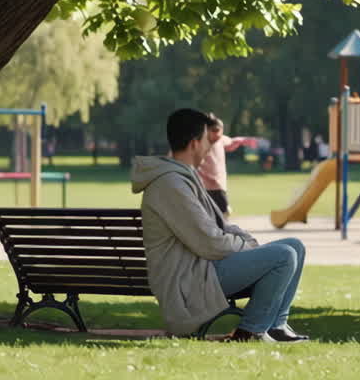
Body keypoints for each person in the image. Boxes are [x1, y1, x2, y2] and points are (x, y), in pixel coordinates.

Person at [131, 108, 308, 342]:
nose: (210, 146)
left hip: (203, 268)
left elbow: (220, 226)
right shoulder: (170, 184)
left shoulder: (183, 177)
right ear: (194, 143)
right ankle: (250, 332)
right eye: (207, 140)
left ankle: (276, 326)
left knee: (295, 246)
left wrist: (246, 241)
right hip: (189, 280)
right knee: (283, 256)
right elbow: (210, 243)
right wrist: (248, 247)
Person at [198, 113, 248, 218]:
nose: (218, 134)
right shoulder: (200, 142)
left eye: (220, 131)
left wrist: (239, 141)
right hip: (204, 184)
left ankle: (220, 227)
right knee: (206, 211)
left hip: (218, 183)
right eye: (214, 131)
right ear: (206, 130)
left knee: (224, 210)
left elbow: (230, 144)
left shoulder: (221, 139)